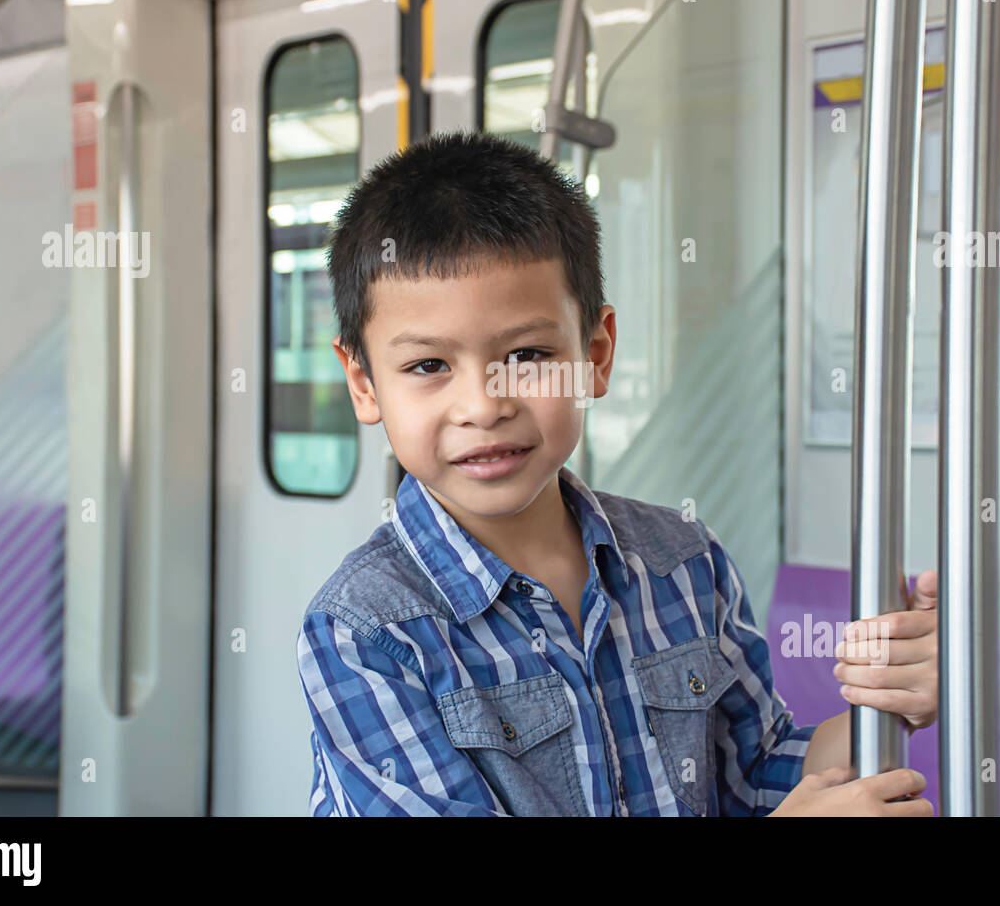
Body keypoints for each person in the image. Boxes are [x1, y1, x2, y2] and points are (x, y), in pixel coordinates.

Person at [296, 129, 938, 816]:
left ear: (596, 354)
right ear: (363, 383)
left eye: (528, 355)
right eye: (428, 366)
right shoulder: (366, 632)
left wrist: (884, 705)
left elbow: (755, 773)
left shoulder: (686, 563)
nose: (483, 406)